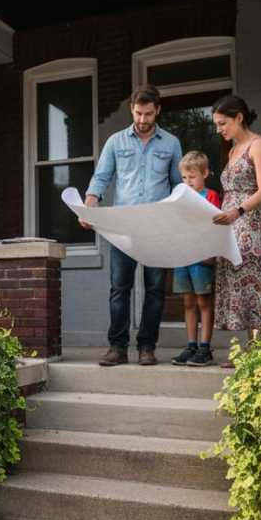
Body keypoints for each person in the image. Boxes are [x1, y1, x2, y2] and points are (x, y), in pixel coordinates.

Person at [80, 84, 183, 367]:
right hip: (123, 229)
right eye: (138, 113)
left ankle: (147, 347)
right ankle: (117, 347)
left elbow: (178, 185)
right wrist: (89, 207)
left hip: (157, 228)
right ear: (132, 110)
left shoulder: (171, 143)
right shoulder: (115, 142)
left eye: (148, 114)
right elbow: (100, 179)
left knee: (155, 290)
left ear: (157, 111)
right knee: (119, 288)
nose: (142, 119)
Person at [210, 95, 261, 367]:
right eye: (216, 124)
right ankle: (250, 352)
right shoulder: (231, 150)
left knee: (253, 282)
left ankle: (258, 353)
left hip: (250, 225)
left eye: (222, 123)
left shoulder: (257, 145)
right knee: (238, 283)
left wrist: (238, 211)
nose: (219, 130)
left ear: (239, 117)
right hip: (230, 226)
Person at [171, 151, 221, 366]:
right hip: (182, 255)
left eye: (192, 177)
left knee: (204, 301)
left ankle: (205, 348)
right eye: (184, 177)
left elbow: (215, 226)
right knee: (188, 302)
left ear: (205, 174)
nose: (187, 181)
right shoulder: (179, 197)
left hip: (202, 257)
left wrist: (212, 251)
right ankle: (190, 345)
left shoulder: (210, 195)